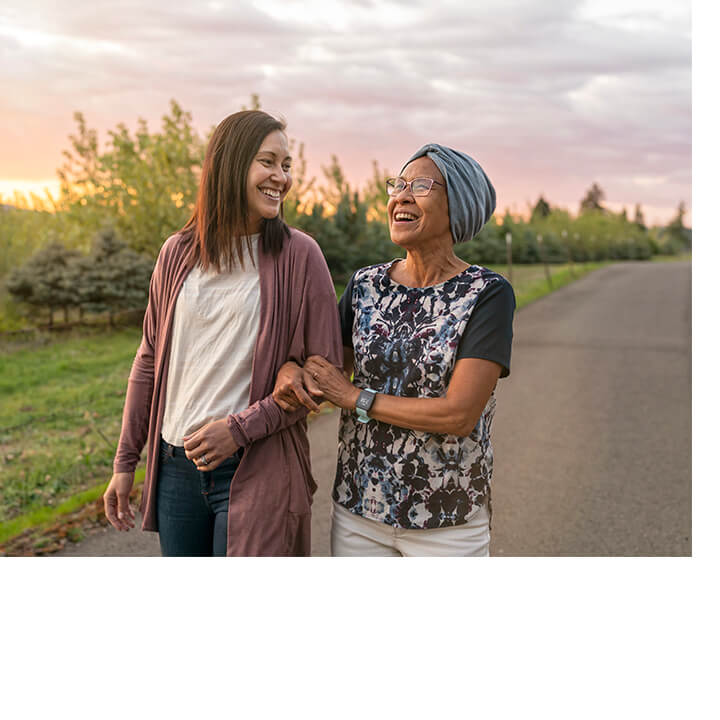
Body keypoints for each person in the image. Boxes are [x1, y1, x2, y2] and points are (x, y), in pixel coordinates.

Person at [103, 110, 342, 556]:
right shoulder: (177, 253)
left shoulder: (301, 256)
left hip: (257, 464)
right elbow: (149, 360)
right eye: (267, 162)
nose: (281, 177)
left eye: (286, 165)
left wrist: (239, 429)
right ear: (230, 165)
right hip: (175, 468)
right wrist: (125, 462)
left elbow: (323, 374)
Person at [273, 143, 515, 556]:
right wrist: (291, 372)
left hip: (448, 520)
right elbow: (324, 370)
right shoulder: (365, 285)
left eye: (420, 185)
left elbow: (458, 414)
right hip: (359, 513)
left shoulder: (487, 294)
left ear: (457, 204)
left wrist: (355, 397)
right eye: (398, 184)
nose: (401, 195)